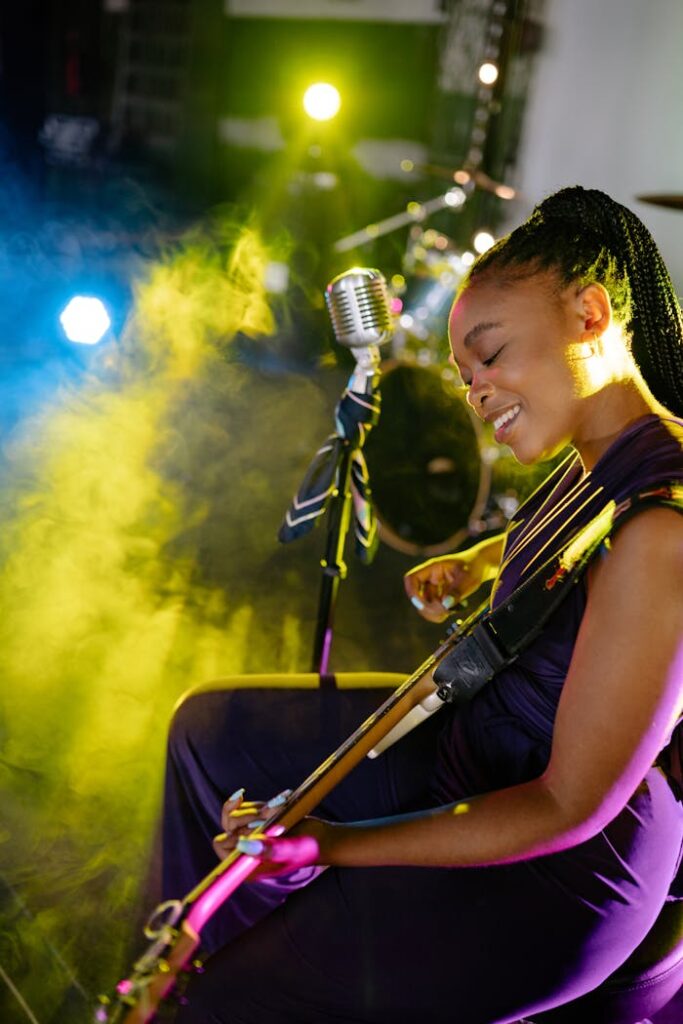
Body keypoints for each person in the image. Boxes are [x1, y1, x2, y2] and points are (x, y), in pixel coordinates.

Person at [164, 186, 683, 1024]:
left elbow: (568, 805)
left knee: (229, 1004)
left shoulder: (663, 532)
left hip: (555, 869)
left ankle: (248, 963)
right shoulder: (603, 449)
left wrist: (336, 846)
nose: (475, 391)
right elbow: (580, 545)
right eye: (465, 374)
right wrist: (479, 562)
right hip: (478, 743)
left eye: (491, 354)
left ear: (589, 313)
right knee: (206, 733)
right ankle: (222, 932)